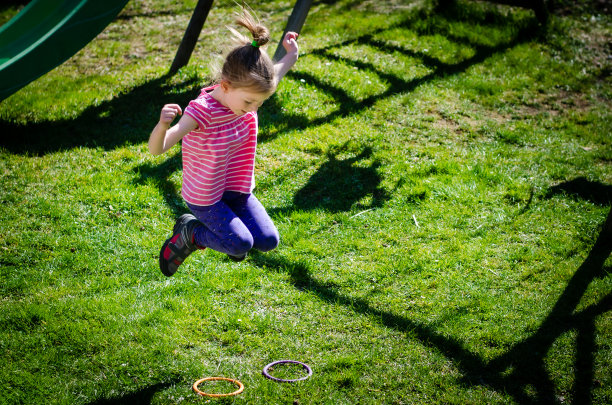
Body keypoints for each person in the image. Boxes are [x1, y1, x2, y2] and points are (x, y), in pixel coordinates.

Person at [148, 8, 299, 276]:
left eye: (259, 103)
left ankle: (230, 238)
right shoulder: (201, 112)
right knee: (239, 243)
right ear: (226, 86)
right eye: (249, 103)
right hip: (206, 197)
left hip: (237, 190)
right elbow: (157, 149)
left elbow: (275, 73)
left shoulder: (247, 93)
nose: (253, 110)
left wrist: (291, 54)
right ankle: (191, 233)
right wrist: (162, 125)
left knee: (268, 241)